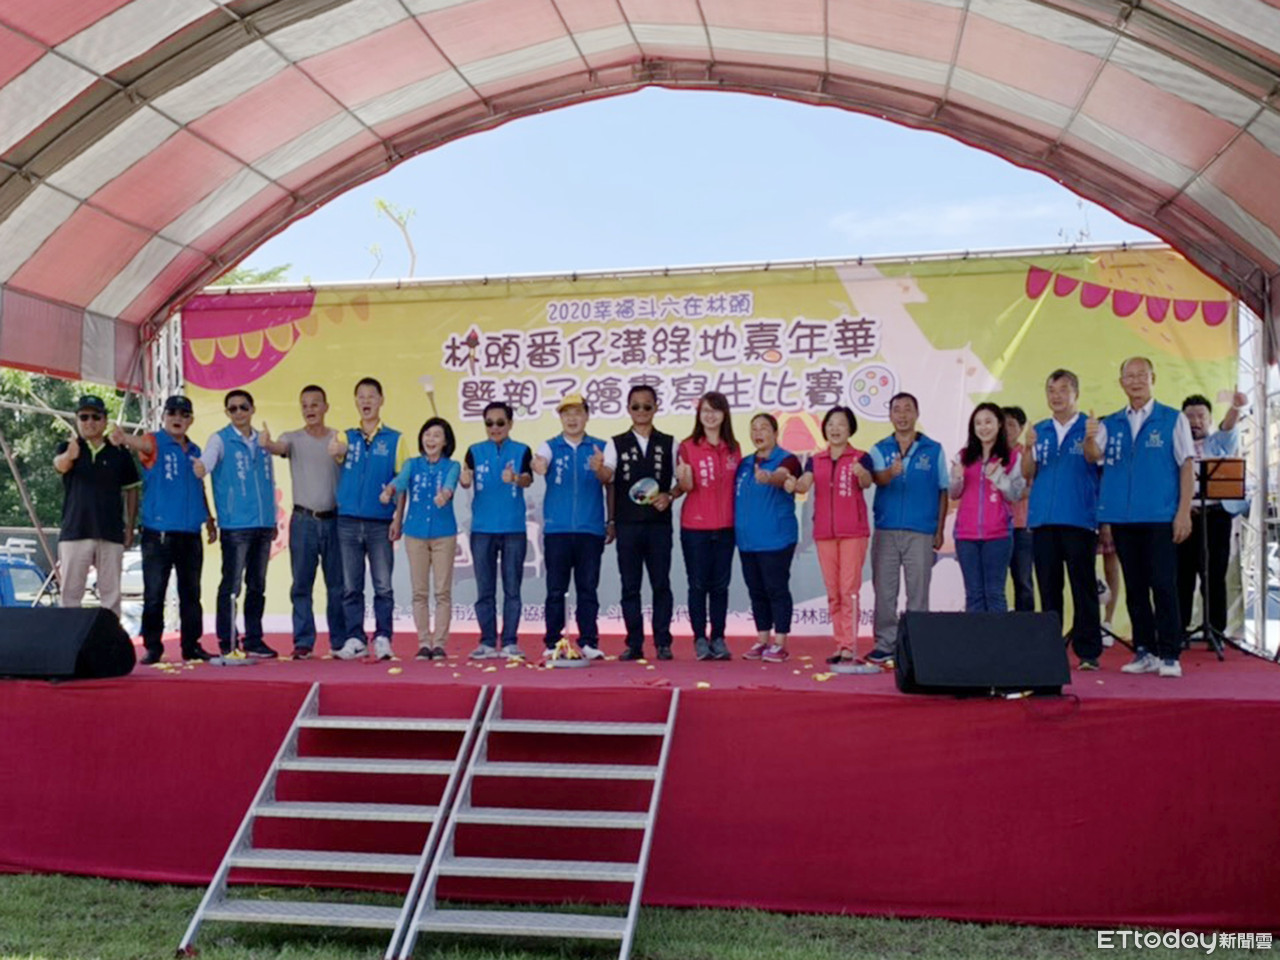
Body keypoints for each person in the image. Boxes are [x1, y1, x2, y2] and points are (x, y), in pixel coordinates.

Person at [1086, 357, 1193, 678]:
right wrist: (1089, 437)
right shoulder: (1111, 423)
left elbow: (1187, 465)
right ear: (1121, 383)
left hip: (1160, 516)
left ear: (1152, 378)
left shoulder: (1172, 419)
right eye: (1129, 376)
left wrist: (1183, 512)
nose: (1135, 381)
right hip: (1122, 518)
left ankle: (1170, 653)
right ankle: (1145, 650)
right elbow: (1092, 456)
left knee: (1163, 584)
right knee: (1135, 587)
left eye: (1141, 375)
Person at [110, 396, 216, 664]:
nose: (177, 418)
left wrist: (209, 518)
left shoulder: (195, 450)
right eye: (172, 413)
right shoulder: (154, 442)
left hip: (190, 533)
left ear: (191, 420)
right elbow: (140, 444)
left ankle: (191, 645)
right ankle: (153, 647)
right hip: (159, 534)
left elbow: (199, 486)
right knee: (155, 594)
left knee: (191, 594)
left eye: (184, 414)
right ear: (164, 416)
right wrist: (123, 438)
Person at [1021, 369, 1103, 669]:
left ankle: (1088, 652)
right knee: (1048, 587)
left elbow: (1093, 458)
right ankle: (1050, 651)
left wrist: (1090, 438)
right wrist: (1028, 447)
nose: (1056, 396)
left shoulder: (1091, 426)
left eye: (1063, 390)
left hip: (1079, 518)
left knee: (1083, 587)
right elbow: (1027, 473)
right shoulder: (1039, 429)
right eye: (1051, 390)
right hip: (1043, 520)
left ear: (1076, 393)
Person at [259, 385, 345, 660]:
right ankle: (304, 642)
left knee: (337, 585)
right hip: (303, 521)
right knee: (301, 585)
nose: (310, 410)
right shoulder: (292, 438)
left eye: (315, 404)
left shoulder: (338, 438)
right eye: (305, 405)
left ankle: (340, 641)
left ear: (326, 407)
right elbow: (278, 447)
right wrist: (267, 444)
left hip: (334, 520)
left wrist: (343, 449)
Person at [194, 389, 278, 658]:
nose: (239, 412)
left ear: (252, 409)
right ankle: (228, 640)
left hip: (263, 524)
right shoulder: (220, 439)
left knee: (257, 585)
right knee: (231, 585)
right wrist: (201, 467)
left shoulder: (263, 440)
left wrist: (273, 518)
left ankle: (254, 639)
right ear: (226, 413)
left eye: (243, 407)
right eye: (233, 408)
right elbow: (207, 460)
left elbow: (270, 482)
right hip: (235, 525)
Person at [789, 406, 875, 668]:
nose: (835, 429)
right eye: (830, 424)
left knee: (849, 590)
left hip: (853, 533)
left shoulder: (861, 457)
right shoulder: (816, 459)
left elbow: (867, 482)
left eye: (841, 424)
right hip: (824, 533)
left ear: (850, 429)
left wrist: (862, 474)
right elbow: (805, 484)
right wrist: (795, 484)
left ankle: (849, 646)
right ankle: (840, 644)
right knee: (834, 592)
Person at [867, 392, 949, 666]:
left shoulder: (934, 449)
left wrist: (939, 529)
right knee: (885, 591)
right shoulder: (879, 449)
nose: (902, 415)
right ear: (890, 415)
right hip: (886, 530)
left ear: (916, 414)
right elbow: (876, 479)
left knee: (918, 591)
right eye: (897, 410)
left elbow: (943, 489)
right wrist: (889, 473)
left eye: (907, 409)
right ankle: (885, 644)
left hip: (921, 531)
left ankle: (917, 645)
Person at [601, 385, 681, 661]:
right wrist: (611, 520)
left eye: (647, 406)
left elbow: (682, 481)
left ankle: (663, 642)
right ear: (628, 409)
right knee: (630, 586)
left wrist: (670, 496)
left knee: (661, 584)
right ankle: (634, 643)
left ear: (656, 407)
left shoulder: (670, 443)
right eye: (636, 406)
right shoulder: (615, 443)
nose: (641, 411)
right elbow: (608, 480)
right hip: (627, 525)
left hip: (659, 525)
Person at [330, 378, 404, 661]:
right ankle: (355, 639)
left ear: (381, 400)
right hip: (348, 521)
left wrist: (398, 518)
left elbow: (402, 481)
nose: (366, 401)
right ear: (355, 402)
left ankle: (383, 637)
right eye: (360, 396)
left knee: (383, 585)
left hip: (380, 522)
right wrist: (337, 451)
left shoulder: (395, 439)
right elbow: (336, 452)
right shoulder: (347, 437)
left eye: (371, 396)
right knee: (351, 586)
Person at [532, 394, 608, 661]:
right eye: (566, 413)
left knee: (588, 588)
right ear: (560, 418)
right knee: (556, 589)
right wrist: (539, 465)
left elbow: (609, 479)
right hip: (557, 531)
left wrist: (600, 468)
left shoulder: (600, 447)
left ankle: (588, 641)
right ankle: (553, 641)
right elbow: (540, 462)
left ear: (586, 416)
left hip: (590, 530)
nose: (572, 418)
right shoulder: (550, 445)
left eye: (577, 412)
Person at [52, 395, 140, 619]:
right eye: (84, 417)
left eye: (95, 416)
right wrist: (69, 456)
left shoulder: (119, 452)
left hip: (111, 532)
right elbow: (59, 465)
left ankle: (110, 639)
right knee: (70, 595)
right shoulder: (68, 446)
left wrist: (130, 527)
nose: (89, 422)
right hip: (75, 531)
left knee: (111, 596)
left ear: (104, 420)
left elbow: (132, 490)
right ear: (77, 420)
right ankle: (70, 640)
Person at [383, 417, 460, 660]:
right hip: (415, 533)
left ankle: (439, 644)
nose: (431, 440)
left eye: (437, 435)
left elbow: (450, 485)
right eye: (427, 434)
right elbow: (400, 482)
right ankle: (424, 643)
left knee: (442, 592)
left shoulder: (452, 466)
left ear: (445, 441)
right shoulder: (412, 464)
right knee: (419, 592)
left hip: (444, 534)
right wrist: (389, 490)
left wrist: (445, 495)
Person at [461, 401, 532, 660]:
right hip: (482, 529)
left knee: (512, 589)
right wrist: (464, 481)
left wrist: (515, 478)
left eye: (500, 422)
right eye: (489, 423)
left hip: (513, 529)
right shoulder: (474, 451)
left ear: (510, 424)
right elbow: (465, 477)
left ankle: (510, 642)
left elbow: (528, 479)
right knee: (485, 590)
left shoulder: (522, 450)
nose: (495, 427)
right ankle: (487, 642)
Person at [1177, 391, 1247, 644]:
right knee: (1182, 575)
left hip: (1216, 517)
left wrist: (1235, 408)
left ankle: (1216, 631)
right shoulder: (1175, 445)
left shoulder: (1218, 442)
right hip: (1185, 516)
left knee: (1214, 574)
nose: (1195, 422)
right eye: (1190, 417)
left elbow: (1228, 427)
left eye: (1201, 416)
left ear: (1209, 419)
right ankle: (1179, 630)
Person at [675, 392, 740, 661]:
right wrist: (684, 480)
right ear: (698, 415)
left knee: (721, 586)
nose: (710, 416)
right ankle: (700, 639)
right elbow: (684, 486)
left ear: (725, 415)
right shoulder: (687, 447)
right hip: (695, 527)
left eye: (715, 410)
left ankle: (719, 638)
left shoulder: (734, 448)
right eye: (705, 411)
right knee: (698, 585)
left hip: (726, 527)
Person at [735, 414, 802, 662]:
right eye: (754, 429)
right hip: (747, 540)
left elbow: (782, 476)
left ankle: (780, 642)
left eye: (764, 428)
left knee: (776, 589)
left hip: (776, 539)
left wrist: (769, 477)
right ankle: (762, 640)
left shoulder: (788, 459)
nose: (758, 433)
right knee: (756, 591)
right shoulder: (744, 464)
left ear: (775, 433)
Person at [949, 403, 1025, 613]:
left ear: (999, 424)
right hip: (966, 535)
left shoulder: (1011, 457)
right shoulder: (963, 456)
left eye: (988, 422)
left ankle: (997, 636)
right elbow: (954, 494)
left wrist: (999, 477)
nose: (983, 427)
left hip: (998, 535)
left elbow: (1015, 494)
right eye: (978, 423)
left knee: (994, 593)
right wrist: (956, 478)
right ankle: (976, 636)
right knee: (973, 594)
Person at [1002, 405, 1035, 612]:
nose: (1006, 429)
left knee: (1023, 580)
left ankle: (1026, 625)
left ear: (1022, 428)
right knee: (995, 583)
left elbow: (1032, 488)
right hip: (995, 526)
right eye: (1002, 424)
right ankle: (996, 626)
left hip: (1022, 526)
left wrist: (1008, 491)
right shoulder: (991, 454)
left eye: (1011, 424)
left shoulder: (1027, 454)